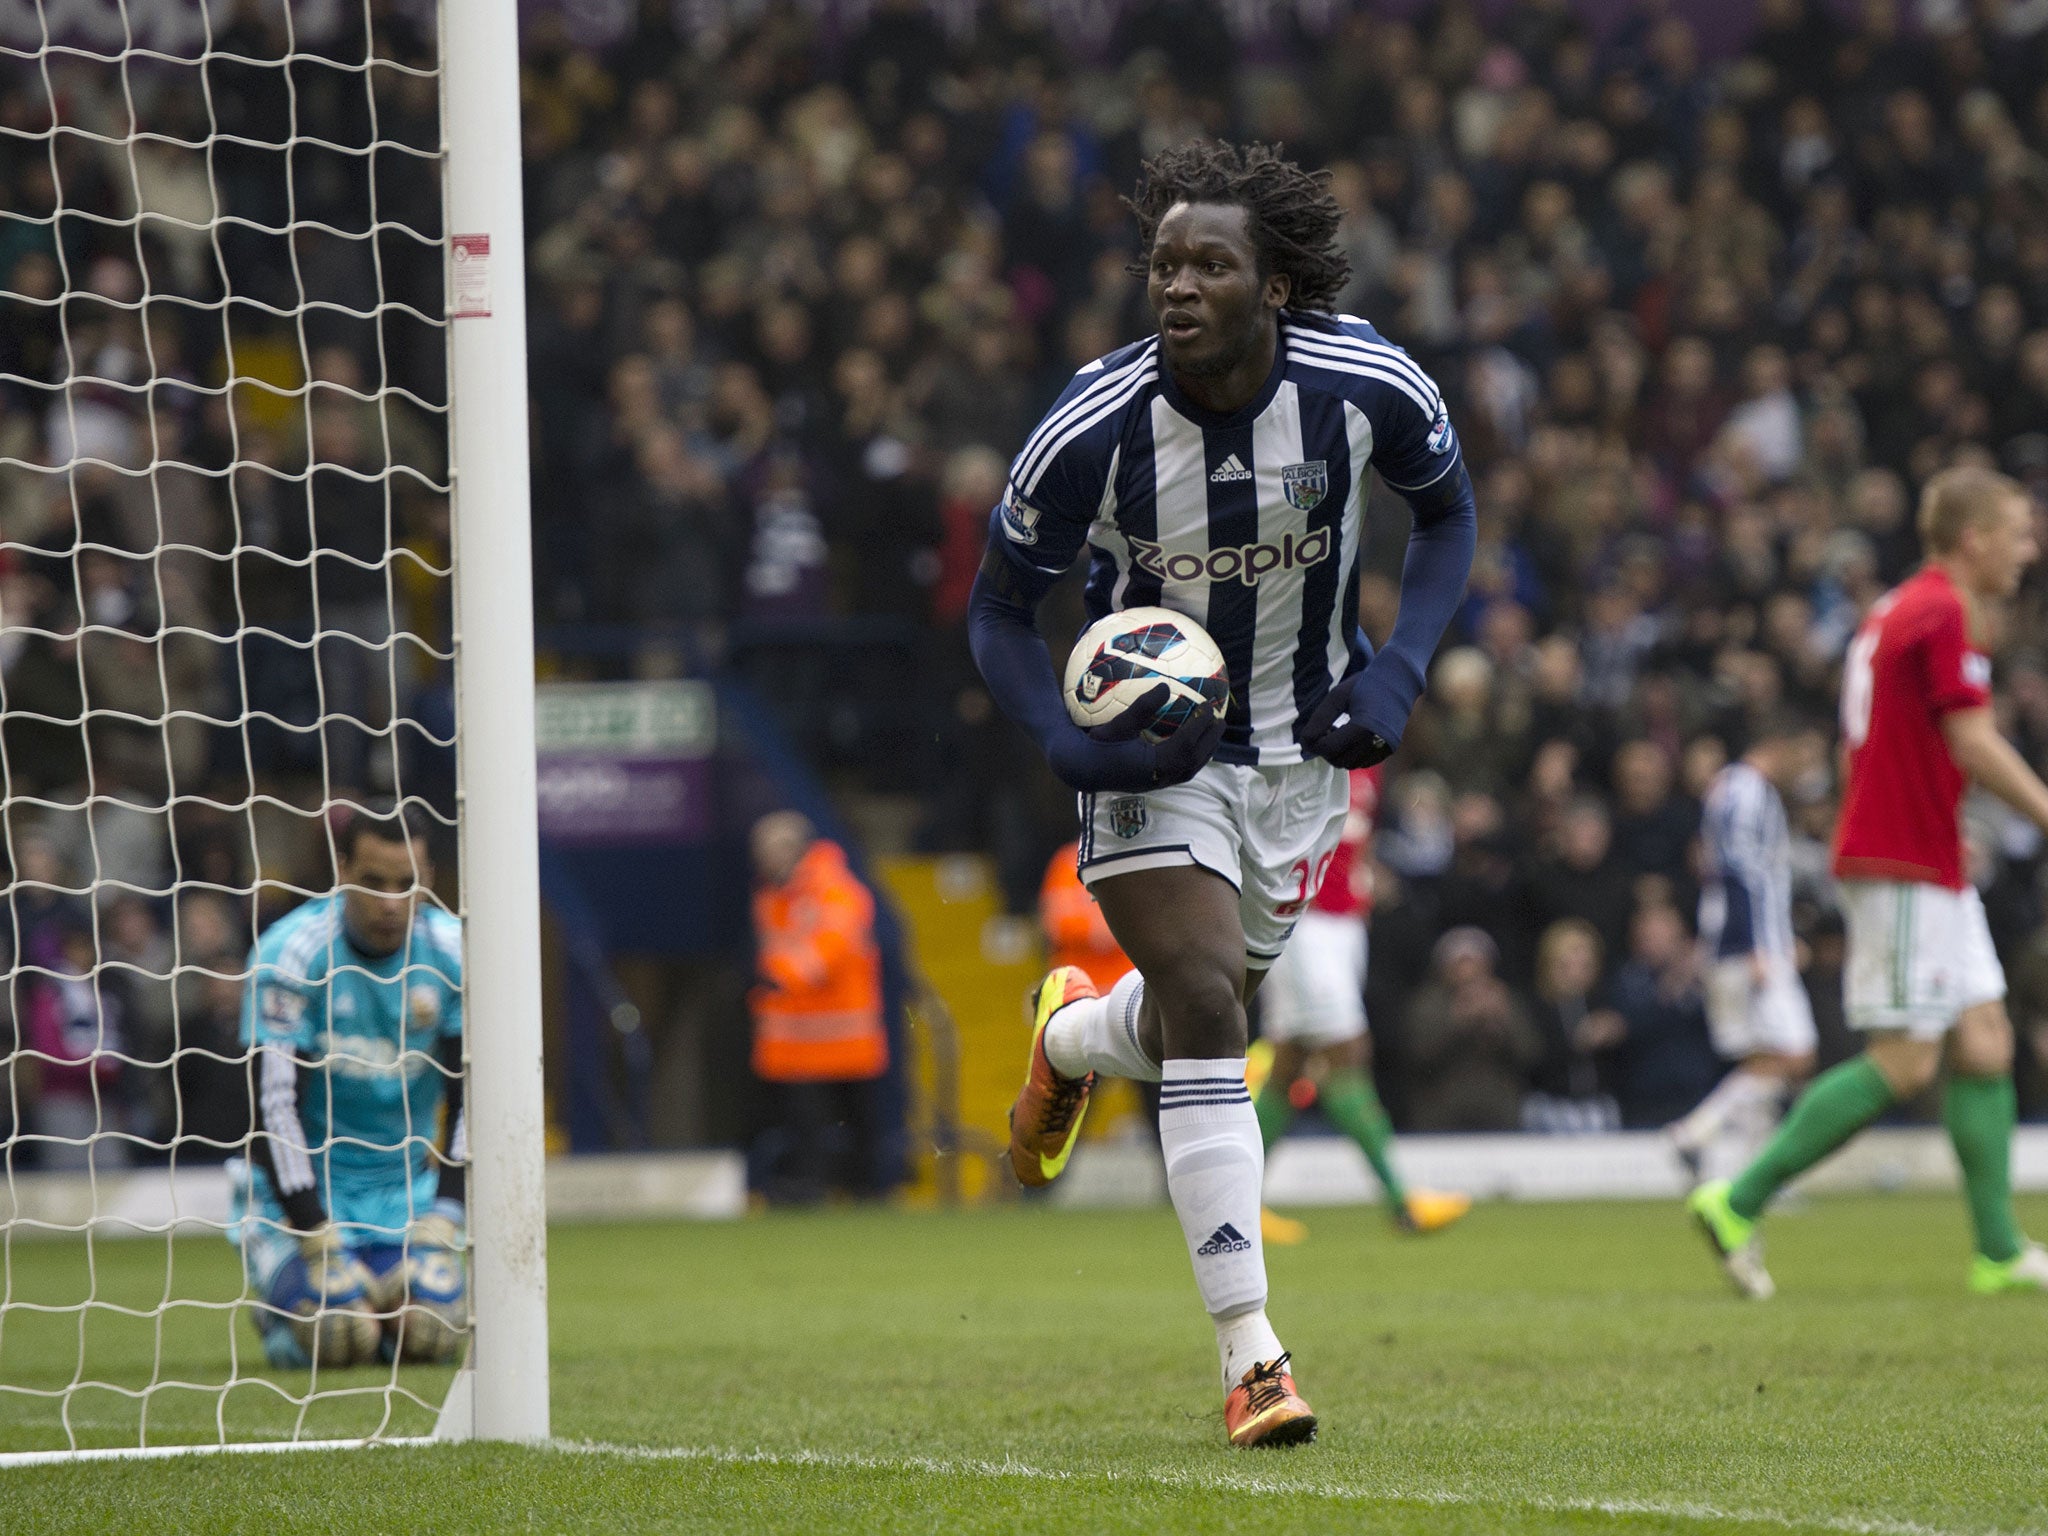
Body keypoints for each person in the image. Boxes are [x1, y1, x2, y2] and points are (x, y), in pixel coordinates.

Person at [969, 141, 1476, 1448]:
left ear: (1278, 286)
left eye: (1212, 264)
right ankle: (1254, 1356)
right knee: (1205, 1002)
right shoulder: (1093, 425)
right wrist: (1066, 746)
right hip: (1154, 761)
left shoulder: (1365, 385)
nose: (1178, 285)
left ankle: (1072, 1041)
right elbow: (999, 614)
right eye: (1164, 264)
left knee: (1211, 1000)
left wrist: (1402, 672)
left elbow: (1448, 518)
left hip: (1304, 759)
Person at [1691, 468, 2048, 1298]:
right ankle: (1737, 1199)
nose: (2030, 549)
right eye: (2019, 532)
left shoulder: (1904, 607)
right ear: (1974, 538)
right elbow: (1973, 740)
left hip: (1928, 858)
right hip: (1902, 862)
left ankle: (1997, 1250)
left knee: (1986, 1037)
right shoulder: (1945, 610)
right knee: (1907, 1060)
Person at [230, 802, 467, 1368]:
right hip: (297, 1200)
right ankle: (283, 1317)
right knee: (339, 1332)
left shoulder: (455, 954)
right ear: (341, 871)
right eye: (373, 882)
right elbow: (274, 1108)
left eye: (407, 884)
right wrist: (311, 1223)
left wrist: (449, 1209)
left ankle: (383, 1309)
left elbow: (472, 1095)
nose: (391, 902)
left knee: (430, 1330)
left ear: (429, 879)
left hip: (402, 1198)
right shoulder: (294, 954)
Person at [1251, 765, 1470, 1243]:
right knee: (1347, 1053)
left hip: (1343, 922)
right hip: (1302, 919)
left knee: (1290, 1066)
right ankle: (1401, 1200)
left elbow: (1353, 831)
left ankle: (1237, 1203)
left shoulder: (1369, 744)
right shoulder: (1301, 722)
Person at [1667, 716, 1822, 1191]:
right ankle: (1693, 1133)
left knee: (1760, 1060)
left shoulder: (1732, 790)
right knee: (1796, 1055)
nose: (1809, 769)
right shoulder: (1747, 791)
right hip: (1748, 947)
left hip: (1742, 941)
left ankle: (1760, 1181)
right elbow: (1741, 872)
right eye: (1807, 755)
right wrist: (1757, 943)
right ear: (1781, 745)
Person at [748, 810, 890, 1203]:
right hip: (797, 1037)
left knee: (856, 1120)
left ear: (793, 850)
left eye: (770, 851)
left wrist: (782, 976)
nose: (762, 859)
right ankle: (817, 1188)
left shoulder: (832, 887)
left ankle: (869, 1190)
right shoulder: (772, 894)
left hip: (842, 1031)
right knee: (806, 1124)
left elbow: (832, 945)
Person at [1039, 839, 1134, 993]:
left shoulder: (1131, 860)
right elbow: (1054, 924)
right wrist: (1097, 929)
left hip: (1128, 983)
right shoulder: (1067, 861)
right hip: (1077, 985)